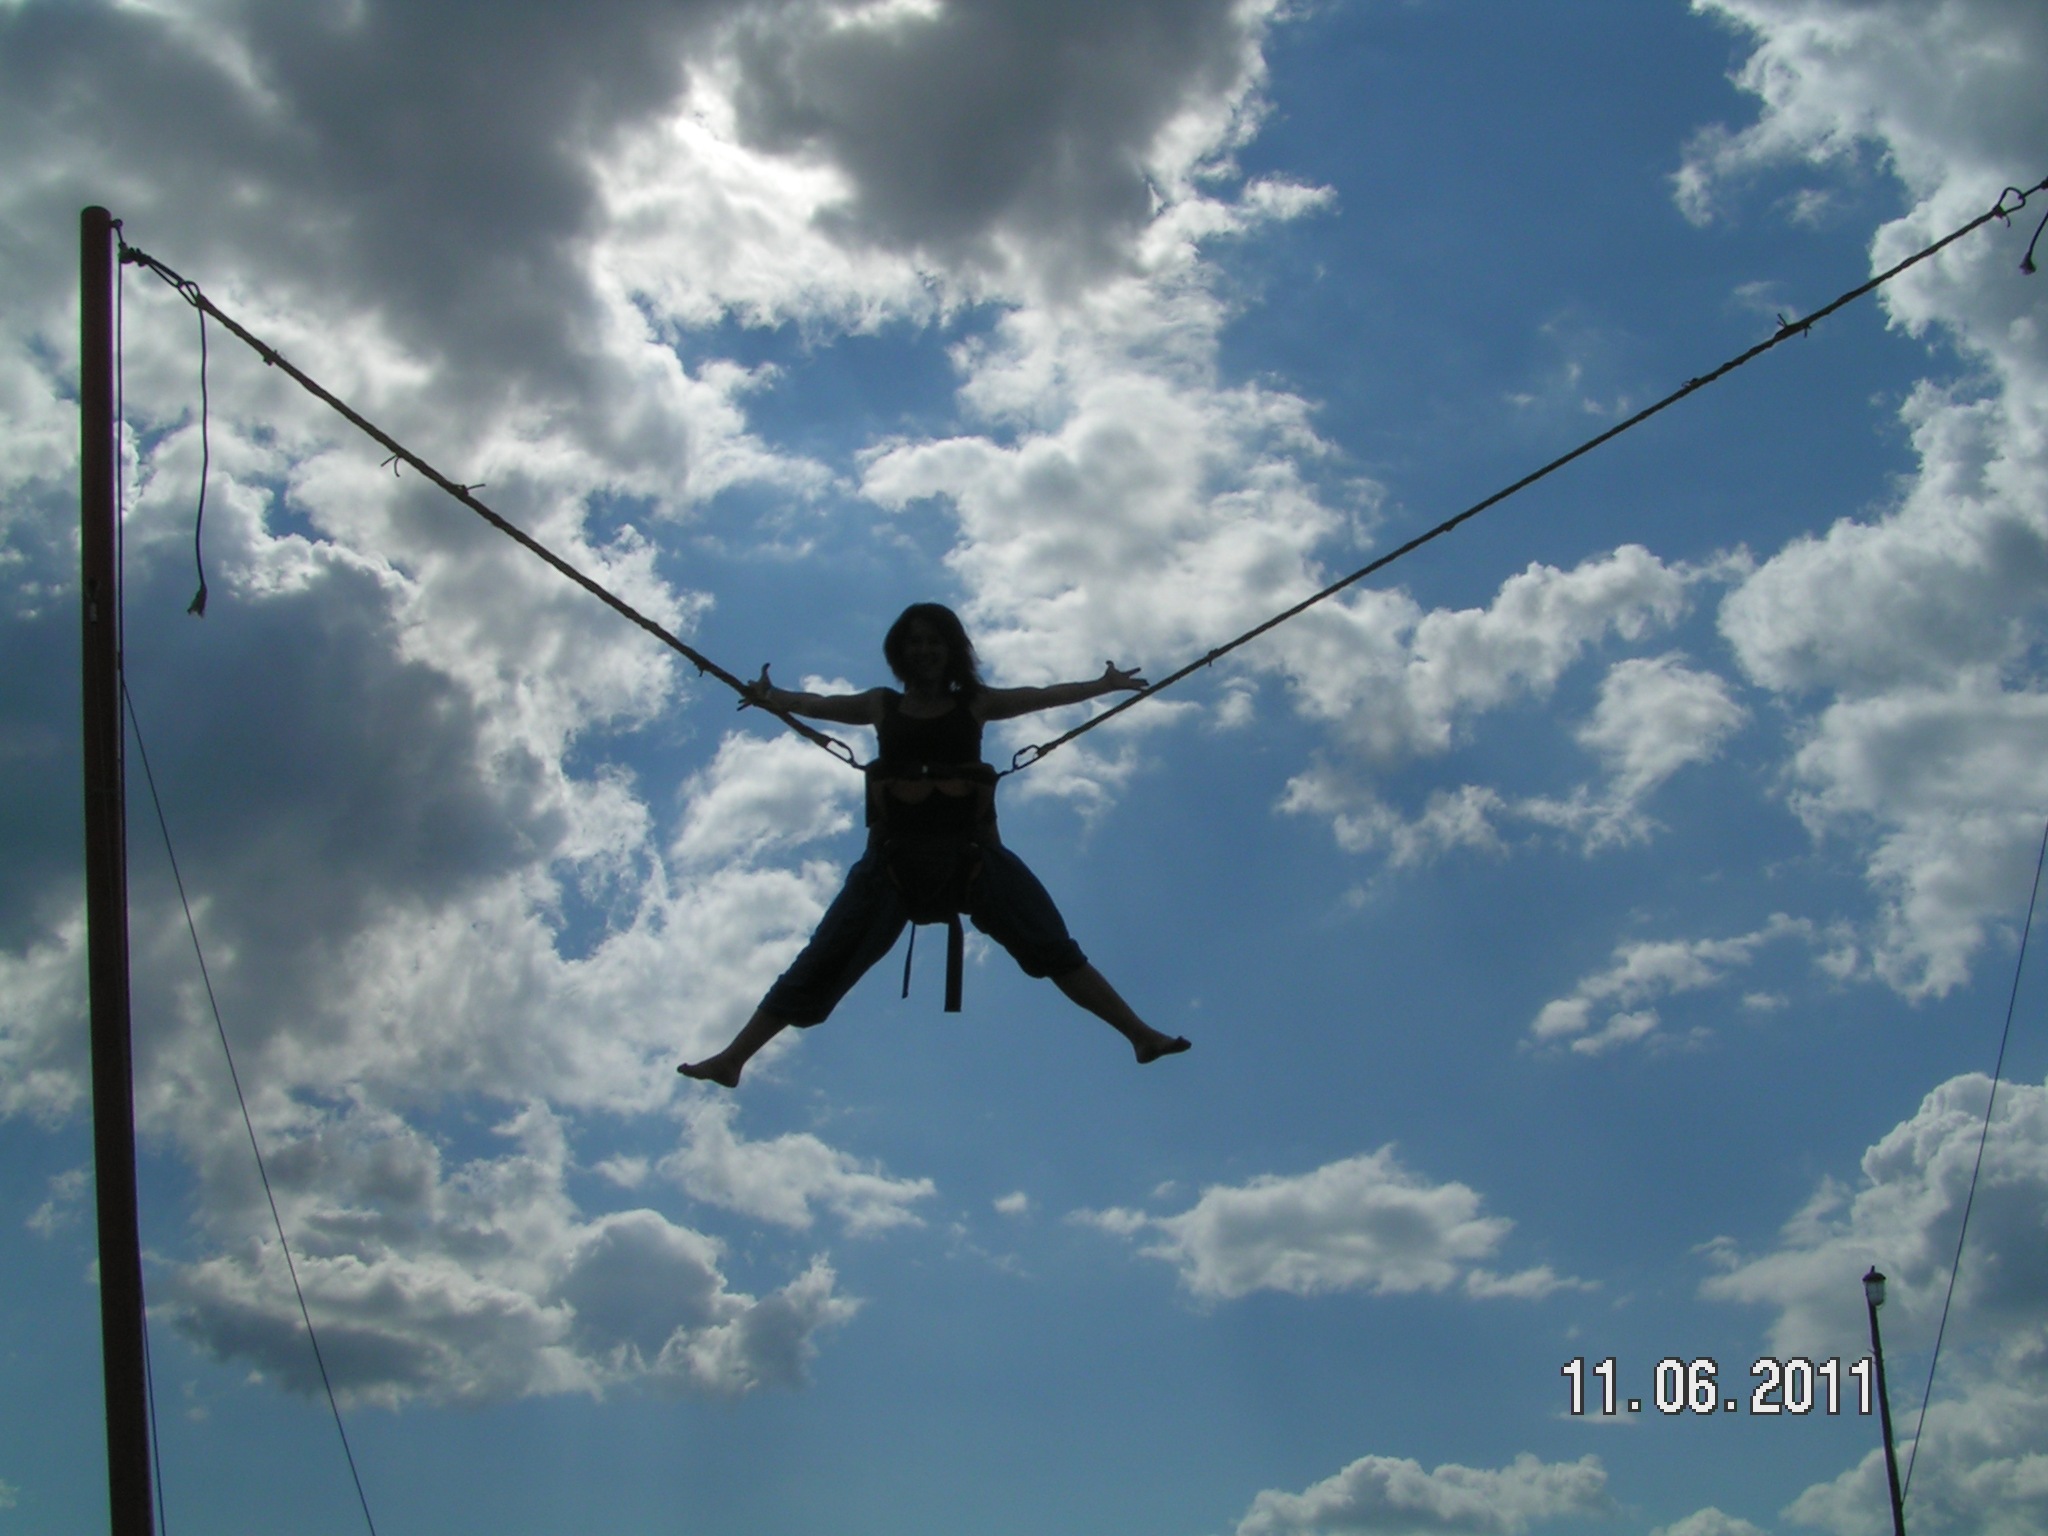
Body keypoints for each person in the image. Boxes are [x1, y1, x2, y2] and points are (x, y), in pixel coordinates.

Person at [679, 602, 1190, 1087]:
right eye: (914, 642)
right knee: (822, 959)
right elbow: (816, 705)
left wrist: (1102, 685)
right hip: (892, 861)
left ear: (951, 650)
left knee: (1052, 945)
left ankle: (1140, 1035)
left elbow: (1040, 695)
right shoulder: (882, 704)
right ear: (900, 652)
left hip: (972, 856)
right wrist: (774, 697)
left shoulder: (975, 702)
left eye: (934, 642)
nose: (924, 651)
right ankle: (733, 1059)